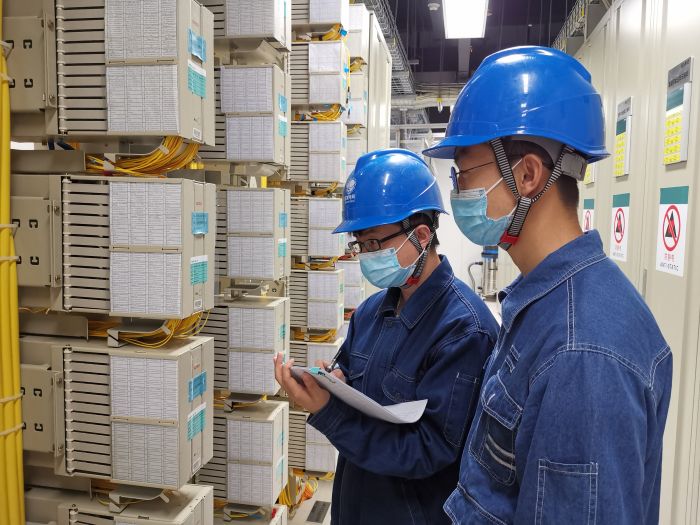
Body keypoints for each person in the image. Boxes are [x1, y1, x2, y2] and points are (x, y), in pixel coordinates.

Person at [422, 46, 672, 525]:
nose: (458, 192)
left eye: (464, 174)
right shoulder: (546, 306)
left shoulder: (582, 352)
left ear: (527, 175)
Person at [274, 149, 499, 524]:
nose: (366, 255)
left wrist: (328, 412)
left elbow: (428, 450)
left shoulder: (464, 330)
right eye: (360, 245)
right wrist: (331, 383)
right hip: (355, 507)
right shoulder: (370, 313)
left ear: (422, 236)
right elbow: (349, 379)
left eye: (374, 244)